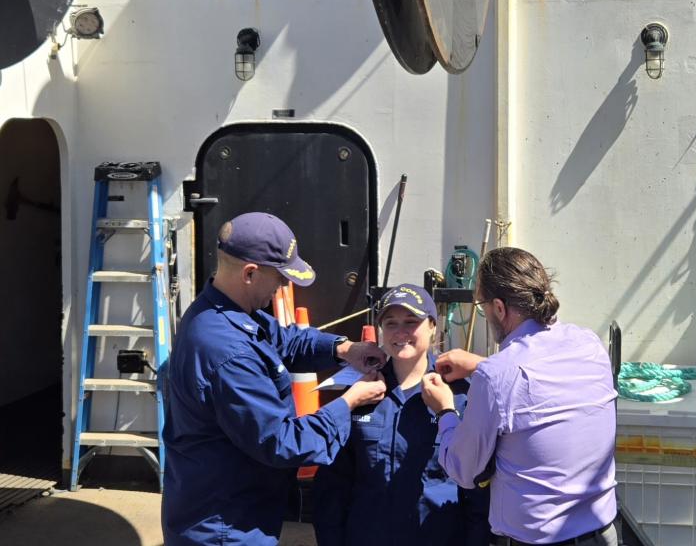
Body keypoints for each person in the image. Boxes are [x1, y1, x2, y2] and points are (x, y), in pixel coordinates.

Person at [162, 212, 388, 546]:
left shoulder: (226, 313)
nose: (285, 286)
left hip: (225, 509)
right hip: (225, 528)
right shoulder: (227, 352)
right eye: (280, 277)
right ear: (250, 273)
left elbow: (283, 339)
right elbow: (281, 442)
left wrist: (344, 348)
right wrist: (349, 402)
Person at [421, 247, 618, 546]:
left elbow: (464, 469)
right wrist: (479, 364)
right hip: (603, 535)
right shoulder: (589, 343)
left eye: (482, 305)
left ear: (499, 308)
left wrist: (444, 411)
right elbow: (547, 389)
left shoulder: (497, 376)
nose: (484, 313)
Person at [312, 284, 491, 546]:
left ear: (433, 326)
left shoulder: (459, 396)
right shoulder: (361, 392)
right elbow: (333, 486)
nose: (401, 332)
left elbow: (476, 489)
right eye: (391, 323)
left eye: (411, 321)